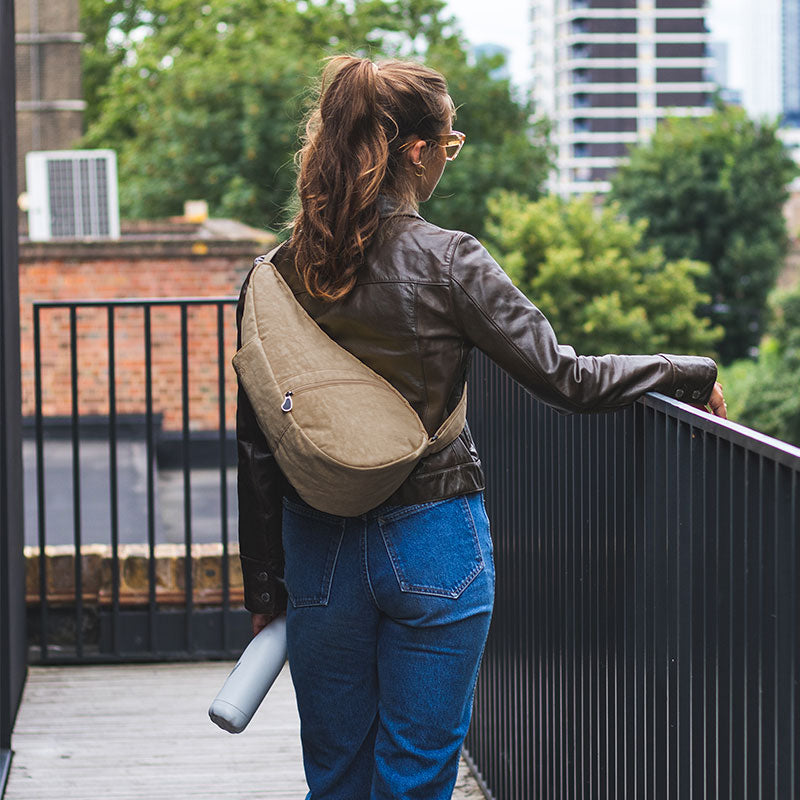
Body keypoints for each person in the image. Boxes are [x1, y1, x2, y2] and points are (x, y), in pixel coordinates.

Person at [235, 55, 726, 800]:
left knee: (335, 777)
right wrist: (686, 370)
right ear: (416, 152)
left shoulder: (274, 274)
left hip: (318, 548)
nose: (447, 159)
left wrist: (266, 586)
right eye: (449, 144)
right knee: (418, 776)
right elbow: (567, 378)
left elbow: (260, 440)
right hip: (434, 539)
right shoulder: (450, 260)